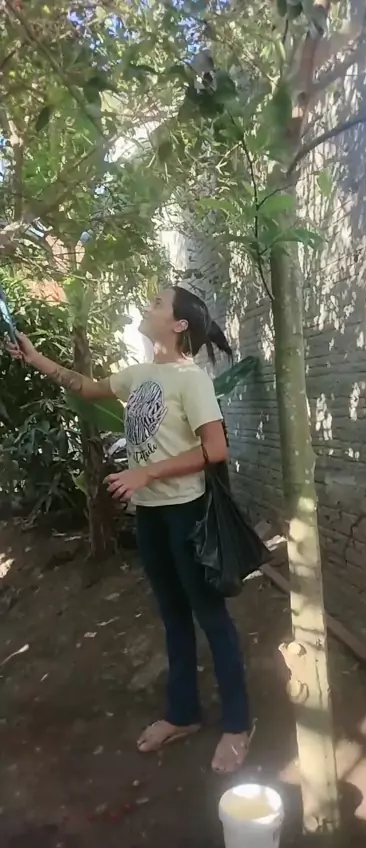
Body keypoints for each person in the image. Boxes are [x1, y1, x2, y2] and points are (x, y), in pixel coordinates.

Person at [6, 286, 250, 773]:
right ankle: (183, 715)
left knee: (211, 617)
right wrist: (36, 360)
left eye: (158, 303)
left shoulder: (192, 380)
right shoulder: (140, 375)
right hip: (151, 516)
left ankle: (239, 724)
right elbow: (88, 388)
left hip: (186, 513)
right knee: (172, 615)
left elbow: (215, 449)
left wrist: (146, 474)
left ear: (179, 324)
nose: (147, 306)